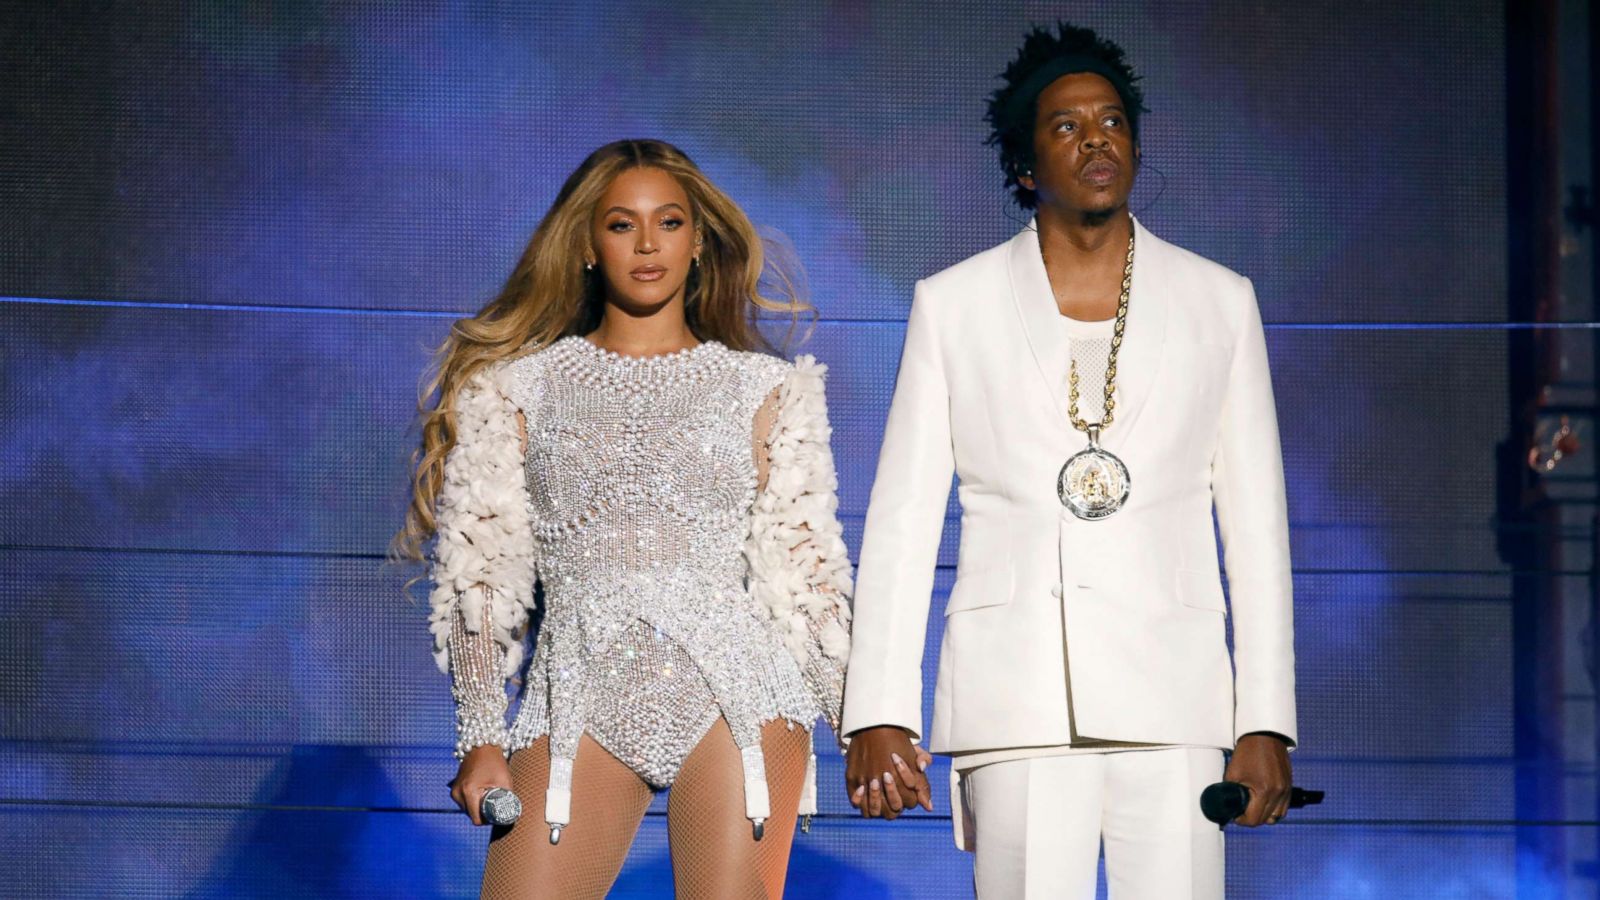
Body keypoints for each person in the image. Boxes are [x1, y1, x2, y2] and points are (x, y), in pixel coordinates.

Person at [840, 23, 1297, 899]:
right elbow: (901, 524)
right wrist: (880, 711)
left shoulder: (1219, 302)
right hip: (1016, 703)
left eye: (1114, 121)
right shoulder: (954, 306)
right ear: (1024, 166)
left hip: (1176, 701)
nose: (1097, 139)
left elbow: (1257, 530)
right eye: (1066, 126)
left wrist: (1266, 718)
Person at [395, 139, 898, 898]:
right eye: (622, 225)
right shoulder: (514, 389)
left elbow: (804, 581)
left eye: (667, 222)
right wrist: (480, 736)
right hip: (577, 693)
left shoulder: (767, 389)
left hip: (742, 696)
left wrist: (863, 723)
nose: (647, 243)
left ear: (698, 241)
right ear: (589, 246)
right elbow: (482, 575)